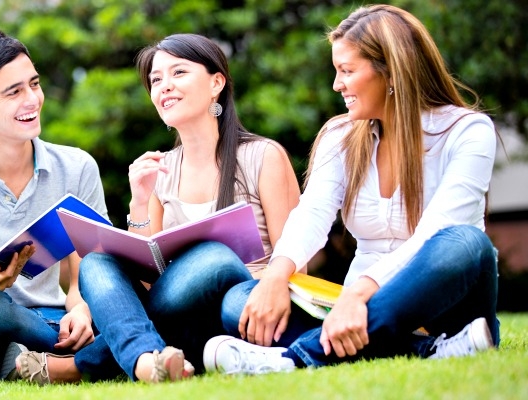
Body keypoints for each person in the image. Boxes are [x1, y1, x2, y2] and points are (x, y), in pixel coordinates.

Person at [204, 4, 499, 375]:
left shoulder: (468, 131)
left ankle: (293, 359)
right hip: (352, 308)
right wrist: (277, 276)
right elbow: (313, 214)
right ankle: (429, 350)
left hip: (444, 307)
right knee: (241, 301)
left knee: (465, 243)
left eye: (346, 71)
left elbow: (435, 232)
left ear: (391, 72)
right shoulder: (341, 136)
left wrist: (359, 294)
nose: (336, 84)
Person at [78, 33, 301, 383]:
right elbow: (149, 279)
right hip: (181, 320)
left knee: (214, 257)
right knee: (95, 263)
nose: (164, 86)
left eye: (178, 72)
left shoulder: (263, 156)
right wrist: (138, 201)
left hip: (242, 307)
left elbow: (296, 258)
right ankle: (146, 362)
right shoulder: (161, 170)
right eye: (155, 79)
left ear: (216, 83)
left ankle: (82, 365)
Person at [0, 27, 122, 384]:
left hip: (52, 317)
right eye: (14, 92)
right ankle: (77, 360)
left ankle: (42, 361)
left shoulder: (76, 167)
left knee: (127, 305)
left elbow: (86, 274)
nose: (32, 99)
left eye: (34, 84)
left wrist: (79, 307)